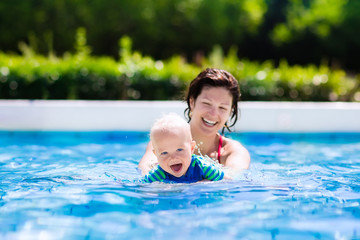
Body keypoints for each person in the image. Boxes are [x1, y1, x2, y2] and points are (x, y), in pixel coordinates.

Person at [139, 68, 250, 175]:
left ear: (230, 112)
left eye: (222, 108)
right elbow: (144, 171)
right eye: (207, 104)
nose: (213, 114)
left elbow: (232, 180)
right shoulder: (164, 140)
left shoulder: (233, 152)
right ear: (192, 102)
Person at [143, 113, 226, 183]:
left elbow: (227, 181)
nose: (173, 157)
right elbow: (141, 188)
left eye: (179, 150)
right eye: (164, 153)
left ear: (191, 148)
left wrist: (202, 185)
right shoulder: (158, 173)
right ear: (156, 155)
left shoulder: (202, 167)